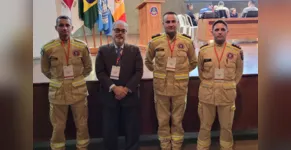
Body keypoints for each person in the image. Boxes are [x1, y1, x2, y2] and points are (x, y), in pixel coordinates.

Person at [145, 11, 198, 150]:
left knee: (177, 119)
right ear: (163, 24)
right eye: (167, 22)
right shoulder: (155, 42)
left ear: (178, 23)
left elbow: (193, 62)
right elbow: (148, 61)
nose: (170, 24)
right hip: (161, 88)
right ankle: (165, 145)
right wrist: (158, 73)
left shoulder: (186, 42)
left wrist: (182, 73)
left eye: (173, 21)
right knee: (162, 120)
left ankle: (176, 145)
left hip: (179, 88)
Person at [41, 15, 92, 150]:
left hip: (78, 91)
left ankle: (82, 147)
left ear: (72, 28)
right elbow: (45, 70)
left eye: (67, 25)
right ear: (56, 28)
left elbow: (88, 68)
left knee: (82, 124)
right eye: (61, 25)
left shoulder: (81, 47)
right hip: (58, 93)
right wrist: (59, 80)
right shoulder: (48, 48)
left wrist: (75, 79)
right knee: (58, 126)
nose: (64, 28)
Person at [95, 20, 143, 150]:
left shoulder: (135, 50)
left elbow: (138, 72)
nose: (120, 33)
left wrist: (126, 89)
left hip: (129, 96)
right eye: (117, 30)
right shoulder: (103, 50)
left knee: (132, 128)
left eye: (123, 31)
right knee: (109, 129)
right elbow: (100, 72)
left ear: (126, 33)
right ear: (112, 32)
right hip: (109, 96)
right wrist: (114, 88)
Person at [196, 20, 244, 150]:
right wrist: (210, 84)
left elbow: (238, 72)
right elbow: (200, 71)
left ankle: (226, 147)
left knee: (226, 127)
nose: (220, 32)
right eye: (217, 30)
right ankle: (202, 147)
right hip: (207, 95)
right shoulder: (203, 51)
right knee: (205, 126)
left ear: (227, 32)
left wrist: (229, 85)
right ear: (212, 32)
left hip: (226, 95)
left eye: (223, 29)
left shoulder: (236, 51)